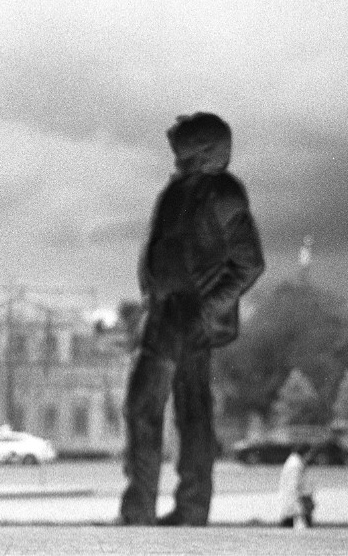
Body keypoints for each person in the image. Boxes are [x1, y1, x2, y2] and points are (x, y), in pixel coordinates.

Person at [119, 112, 265, 526]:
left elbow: (249, 263)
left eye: (183, 144)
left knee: (191, 413)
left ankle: (191, 507)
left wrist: (206, 308)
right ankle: (141, 508)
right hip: (161, 312)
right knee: (143, 406)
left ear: (203, 151)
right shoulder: (176, 190)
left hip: (189, 316)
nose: (175, 151)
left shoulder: (224, 192)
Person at [278, 445, 315, 529]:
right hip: (294, 504)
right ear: (306, 453)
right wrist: (299, 508)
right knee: (292, 527)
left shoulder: (295, 462)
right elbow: (294, 487)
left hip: (292, 503)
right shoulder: (295, 465)